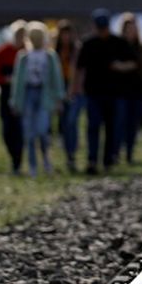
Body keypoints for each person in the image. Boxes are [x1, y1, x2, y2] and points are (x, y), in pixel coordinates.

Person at [74, 9, 136, 174]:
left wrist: (119, 66)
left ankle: (108, 159)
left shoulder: (119, 43)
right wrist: (76, 89)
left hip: (114, 93)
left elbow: (132, 63)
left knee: (111, 127)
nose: (102, 32)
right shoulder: (88, 44)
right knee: (93, 126)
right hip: (93, 93)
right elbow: (79, 68)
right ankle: (92, 160)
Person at [10, 21, 65, 177]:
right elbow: (18, 81)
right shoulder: (23, 57)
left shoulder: (49, 57)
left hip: (43, 94)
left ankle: (46, 159)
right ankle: (33, 166)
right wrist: (15, 102)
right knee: (29, 133)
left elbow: (56, 78)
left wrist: (58, 98)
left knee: (42, 130)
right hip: (28, 94)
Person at [116, 13, 142, 164]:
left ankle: (129, 153)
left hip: (137, 92)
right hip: (120, 92)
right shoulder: (117, 47)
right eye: (128, 29)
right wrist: (124, 67)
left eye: (133, 29)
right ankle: (118, 150)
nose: (131, 32)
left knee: (133, 123)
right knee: (120, 122)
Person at [0, 20, 26, 174]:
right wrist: (7, 80)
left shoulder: (27, 53)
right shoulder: (2, 52)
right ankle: (13, 156)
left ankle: (18, 162)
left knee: (20, 130)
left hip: (23, 96)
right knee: (7, 131)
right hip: (6, 93)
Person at [54, 20, 81, 172]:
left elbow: (79, 72)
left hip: (74, 89)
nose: (66, 37)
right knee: (63, 122)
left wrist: (74, 88)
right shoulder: (55, 52)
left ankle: (72, 151)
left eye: (68, 34)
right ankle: (68, 154)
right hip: (60, 87)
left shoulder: (76, 51)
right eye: (63, 34)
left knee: (72, 121)